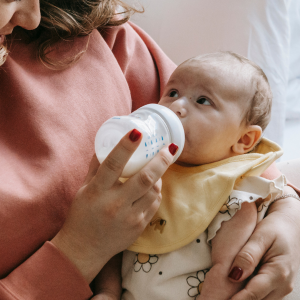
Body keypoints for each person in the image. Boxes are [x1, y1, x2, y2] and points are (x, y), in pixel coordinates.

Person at [0, 1, 299, 300]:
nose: (32, 16)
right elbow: (113, 246)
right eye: (172, 94)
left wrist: (288, 210)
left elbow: (233, 138)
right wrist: (86, 254)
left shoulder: (86, 26)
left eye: (202, 102)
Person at [92, 52, 296, 300]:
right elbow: (109, 243)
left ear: (243, 140)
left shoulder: (233, 196)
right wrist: (107, 292)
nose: (176, 106)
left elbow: (227, 274)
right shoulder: (143, 174)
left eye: (202, 100)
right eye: (172, 93)